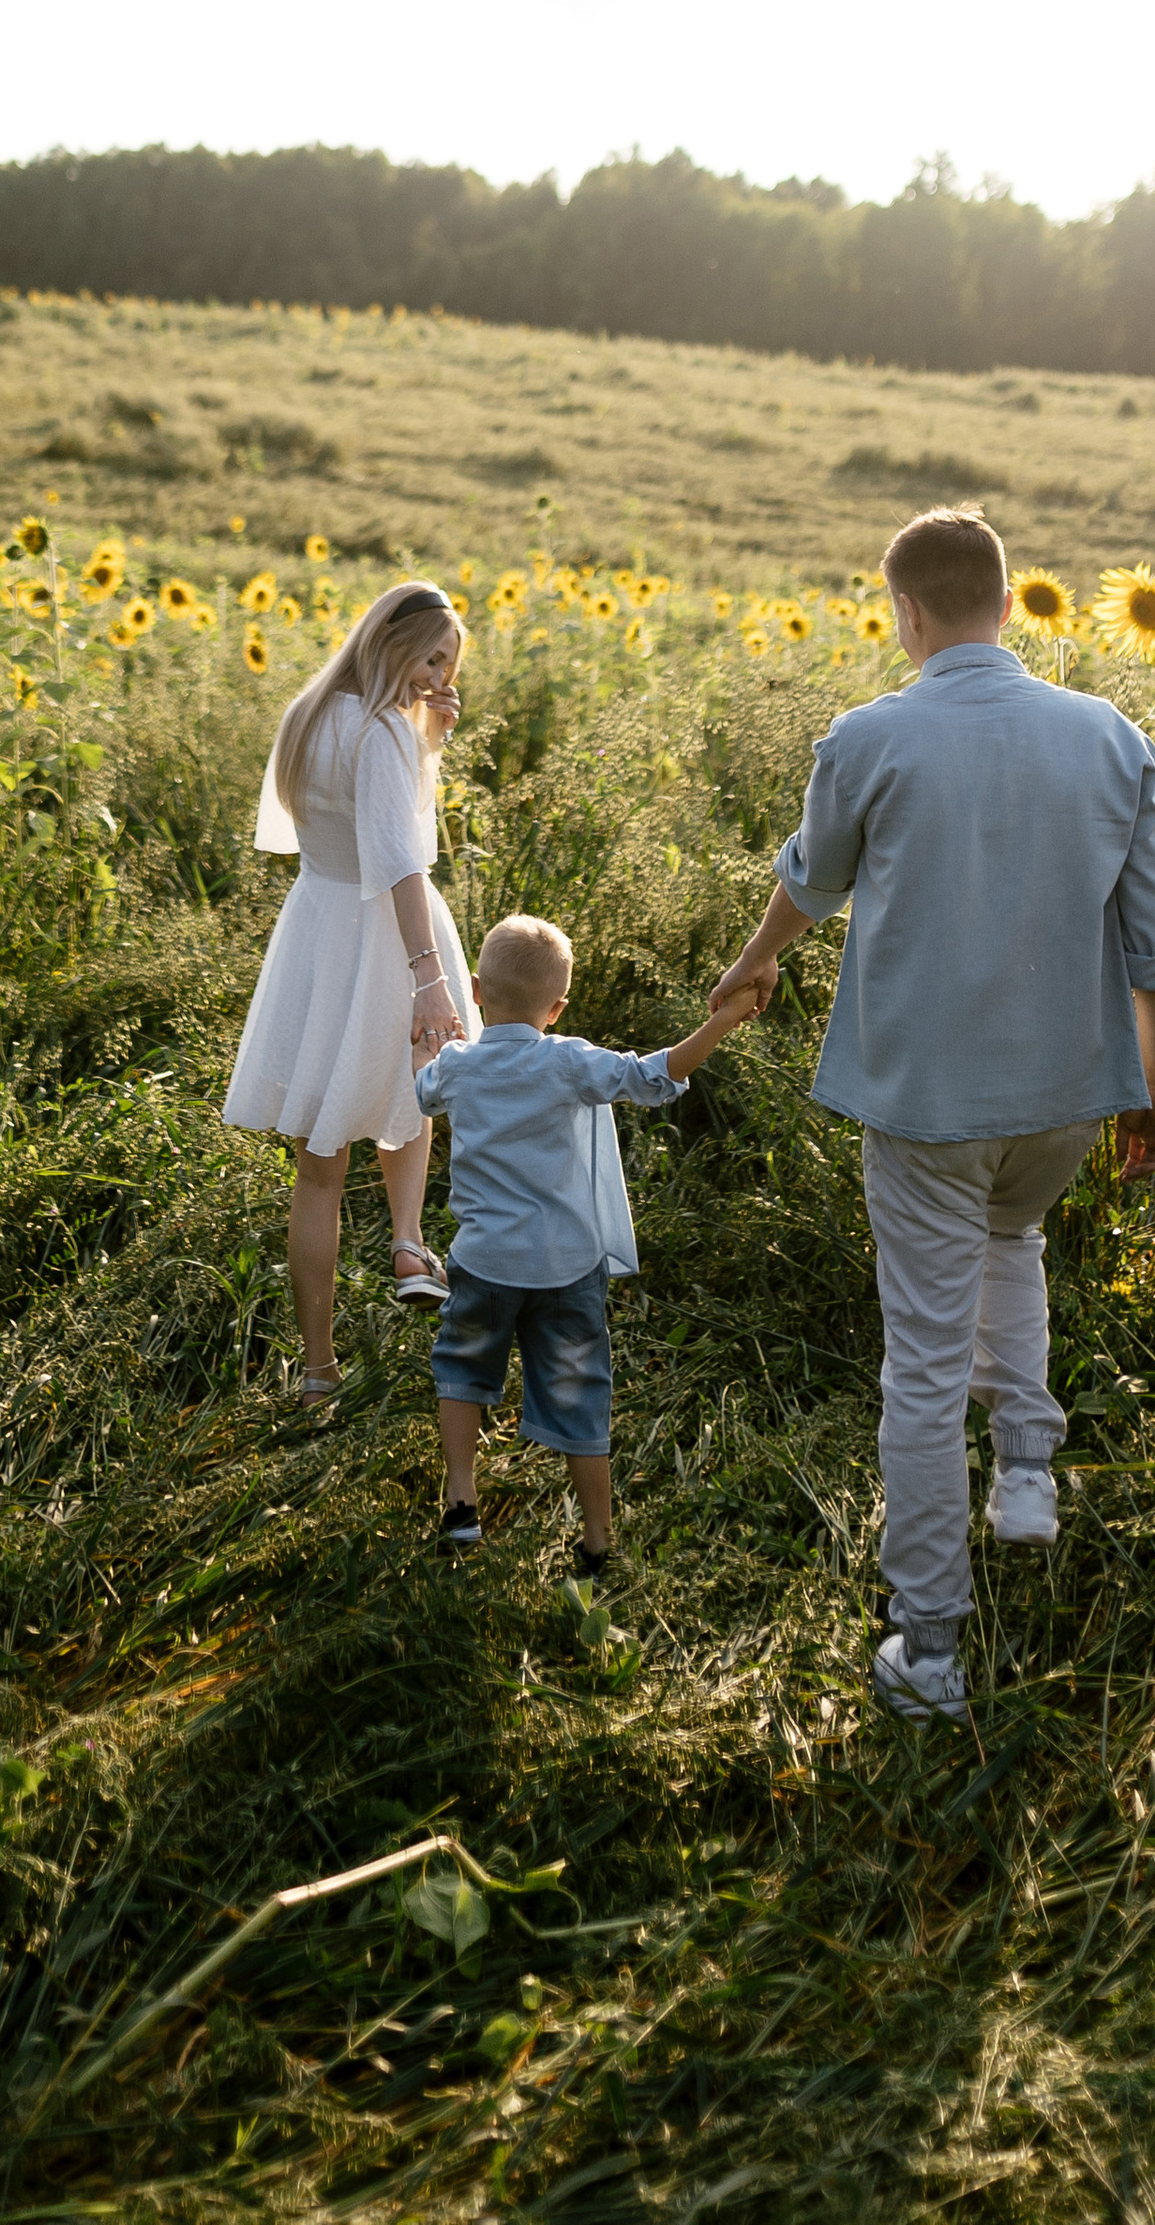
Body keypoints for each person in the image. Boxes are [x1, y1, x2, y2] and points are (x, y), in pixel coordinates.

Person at [711, 505, 1155, 1723]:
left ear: (907, 612)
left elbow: (811, 882)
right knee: (1011, 1238)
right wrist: (1154, 1088)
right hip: (1067, 1097)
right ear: (1008, 602)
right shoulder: (1112, 737)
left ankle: (928, 1650)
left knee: (922, 1368)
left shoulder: (871, 738)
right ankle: (1026, 1465)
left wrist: (751, 962)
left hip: (927, 1102)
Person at [416, 913, 762, 1566]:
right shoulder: (570, 1060)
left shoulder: (457, 1066)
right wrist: (722, 1022)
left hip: (484, 1263)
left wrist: (427, 1051)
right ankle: (599, 1541)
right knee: (580, 1395)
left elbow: (423, 1091)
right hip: (565, 1268)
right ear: (557, 1008)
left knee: (461, 1369)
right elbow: (657, 1075)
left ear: (477, 991)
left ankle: (461, 1502)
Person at [224, 578, 478, 1400]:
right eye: (428, 659)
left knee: (320, 1165)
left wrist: (429, 739)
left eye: (447, 665)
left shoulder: (309, 713)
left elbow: (349, 825)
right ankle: (407, 1240)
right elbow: (400, 860)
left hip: (318, 930)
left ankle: (317, 1370)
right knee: (414, 1083)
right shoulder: (382, 732)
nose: (437, 677)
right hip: (387, 935)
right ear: (390, 644)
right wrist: (428, 977)